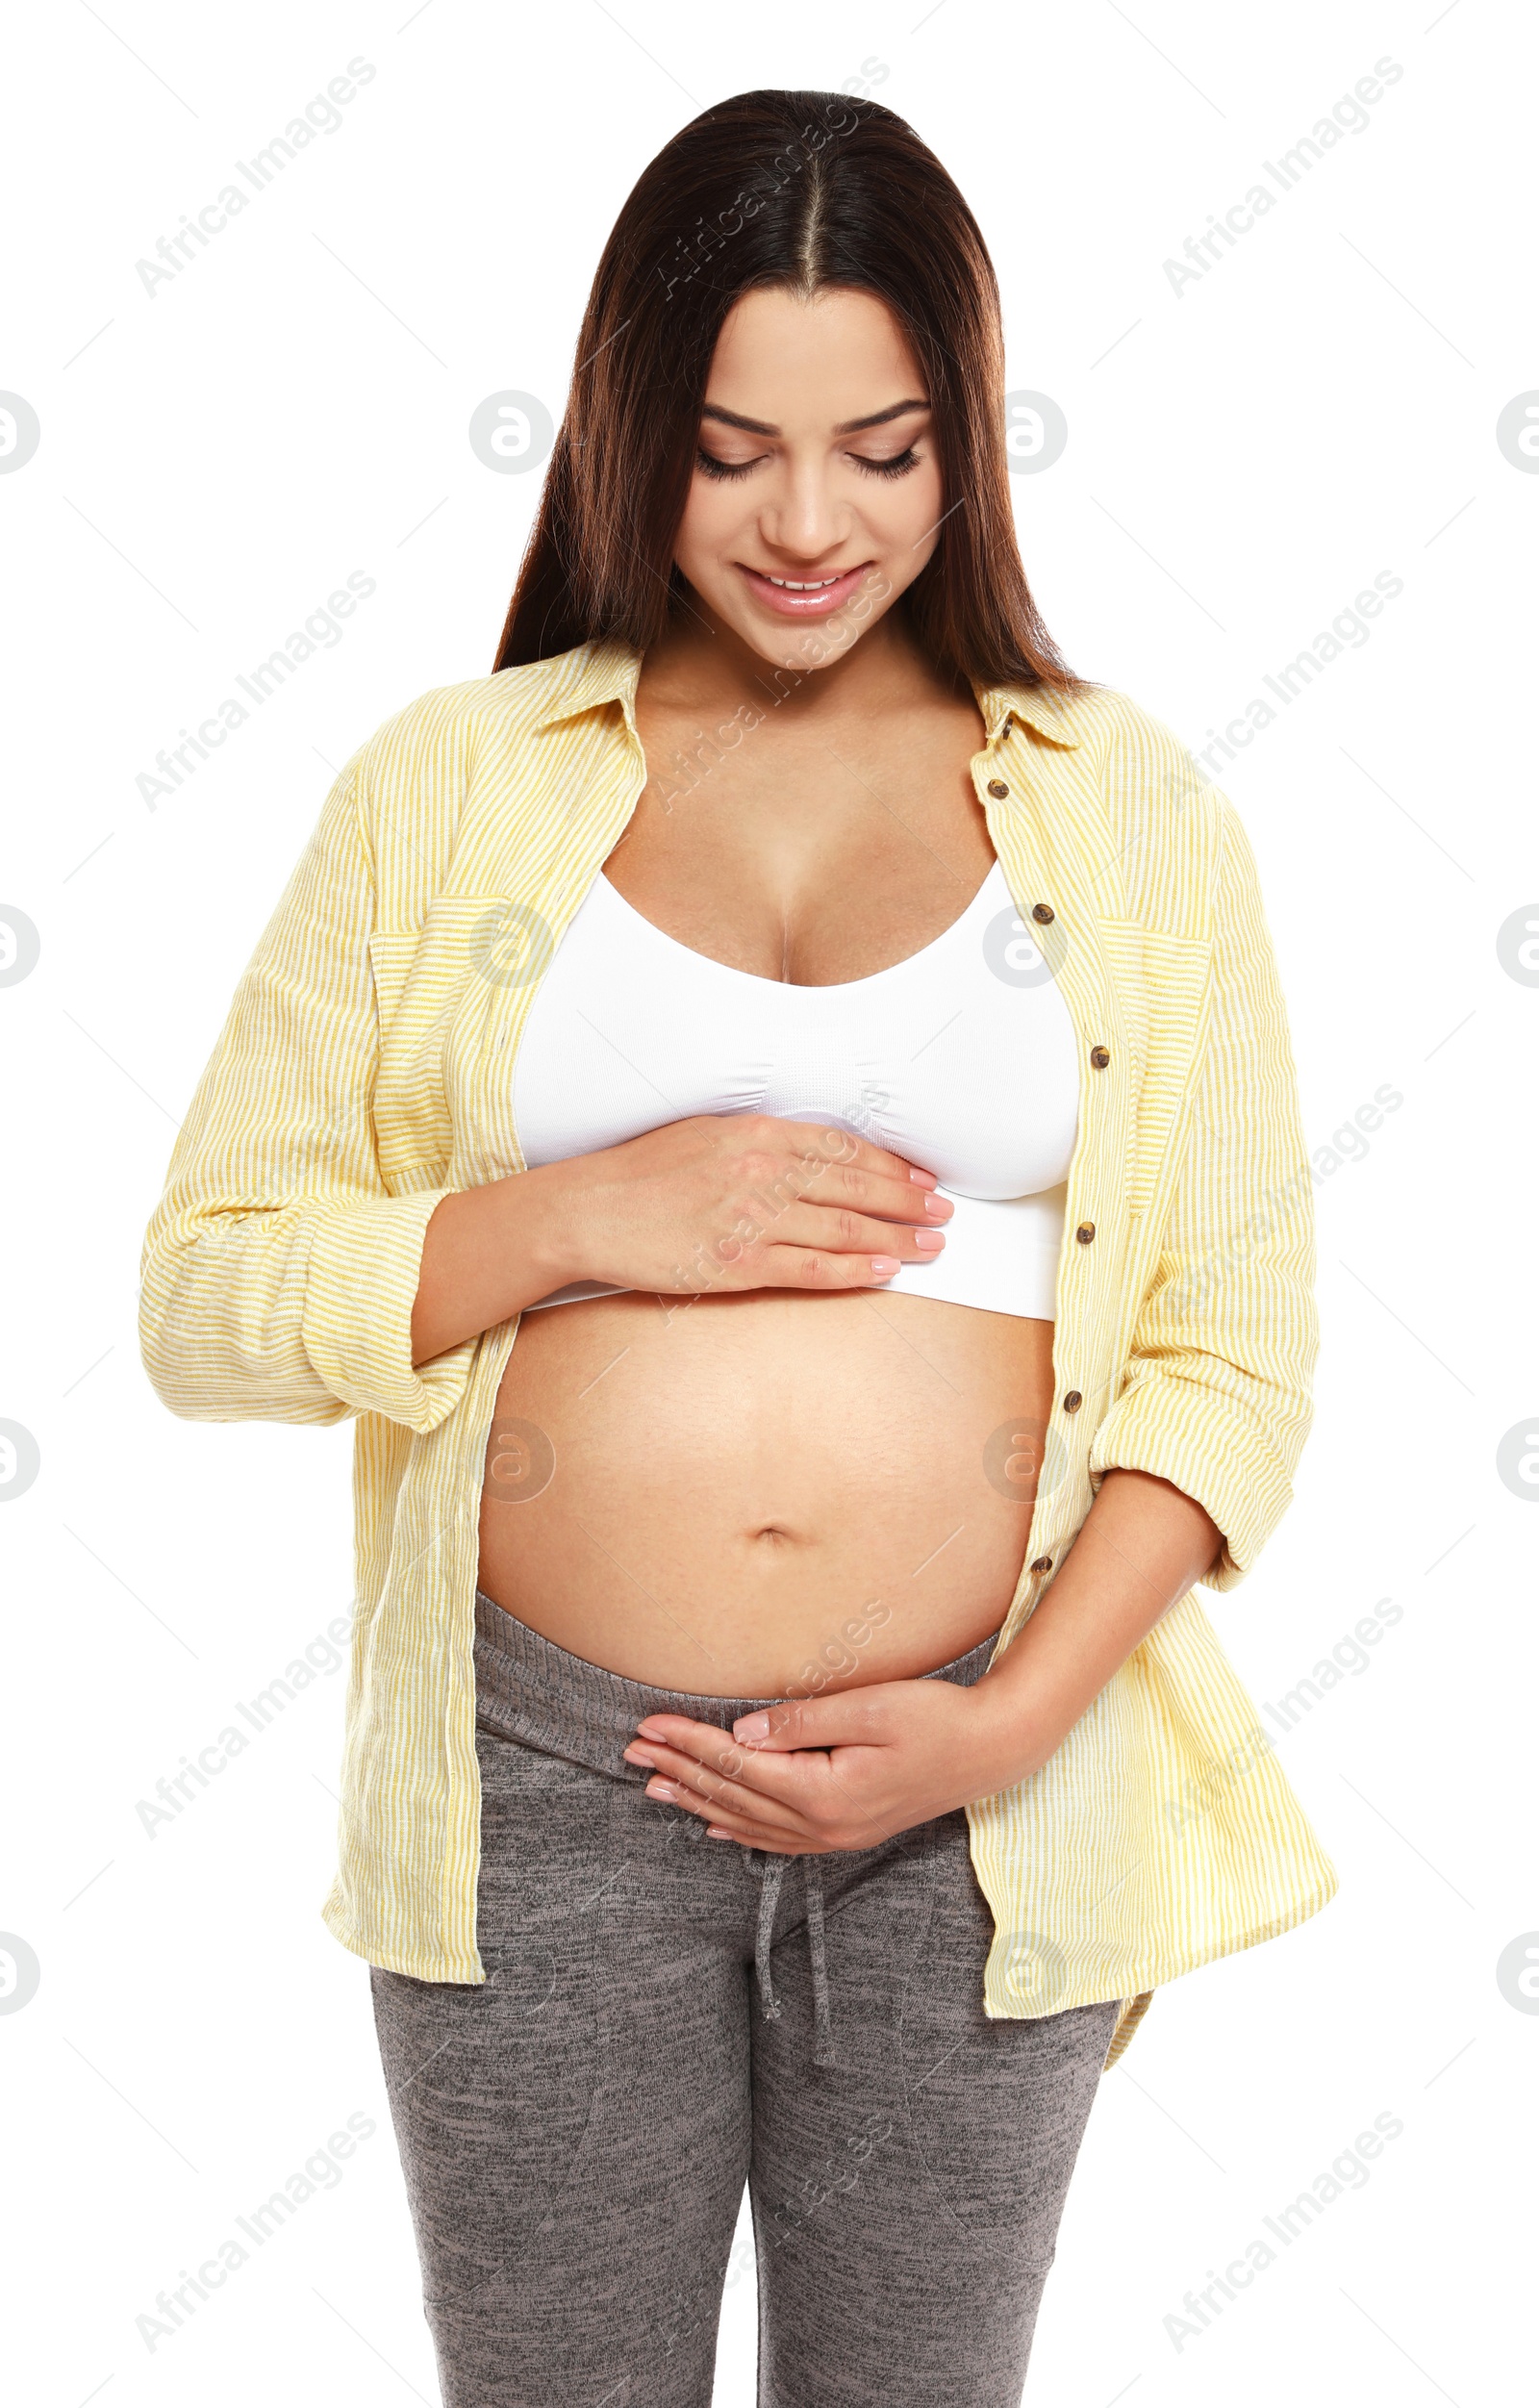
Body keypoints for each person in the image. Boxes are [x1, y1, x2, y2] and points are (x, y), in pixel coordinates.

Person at [139, 86, 1338, 2408]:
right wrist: (584, 1210)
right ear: (625, 433)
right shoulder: (453, 784)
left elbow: (1232, 1357)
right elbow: (203, 1290)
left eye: (883, 450)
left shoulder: (1126, 810)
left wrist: (996, 1721)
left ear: (964, 443)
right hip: (545, 1782)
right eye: (729, 450)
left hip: (979, 1797)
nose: (807, 525)